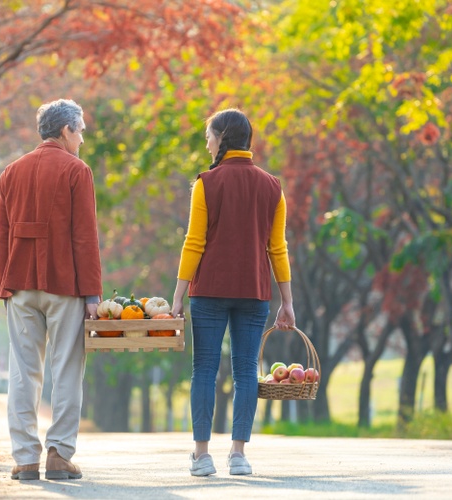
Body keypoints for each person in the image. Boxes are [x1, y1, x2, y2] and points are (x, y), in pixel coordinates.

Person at [171, 108, 296, 477]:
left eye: (209, 135)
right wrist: (287, 301)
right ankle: (239, 455)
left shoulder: (205, 183)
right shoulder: (273, 187)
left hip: (208, 289)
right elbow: (278, 248)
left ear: (222, 137)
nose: (207, 142)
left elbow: (194, 242)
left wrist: (178, 296)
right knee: (246, 372)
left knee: (204, 370)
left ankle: (201, 455)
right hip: (254, 291)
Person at [0, 99, 102, 481]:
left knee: (24, 373)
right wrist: (93, 295)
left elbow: (2, 237)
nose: (83, 139)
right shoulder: (77, 171)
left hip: (19, 284)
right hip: (65, 285)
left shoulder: (10, 171)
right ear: (66, 131)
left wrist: (3, 287)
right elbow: (85, 238)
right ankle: (59, 454)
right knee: (67, 370)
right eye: (81, 131)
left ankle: (25, 459)